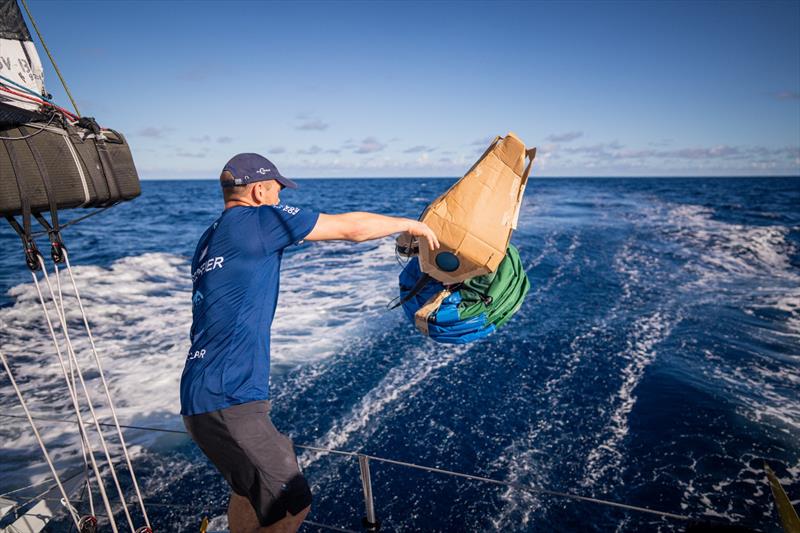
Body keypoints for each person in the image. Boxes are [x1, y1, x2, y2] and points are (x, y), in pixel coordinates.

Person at [180, 153, 439, 533]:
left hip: (200, 396)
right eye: (277, 189)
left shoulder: (210, 239)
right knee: (291, 504)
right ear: (259, 189)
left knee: (251, 491)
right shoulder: (260, 219)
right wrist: (410, 225)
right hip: (229, 396)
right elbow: (350, 228)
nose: (279, 197)